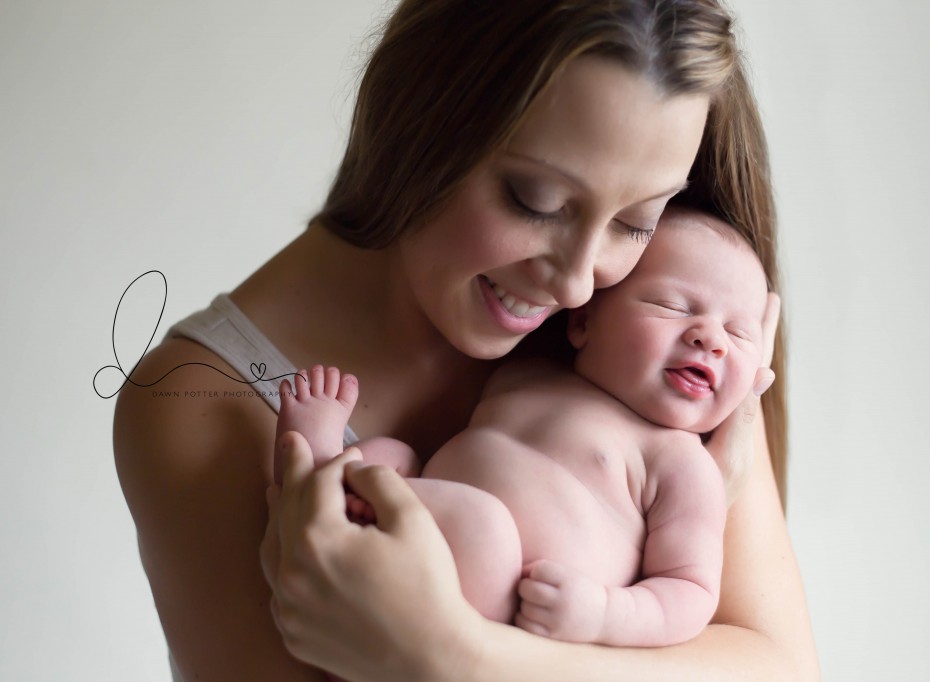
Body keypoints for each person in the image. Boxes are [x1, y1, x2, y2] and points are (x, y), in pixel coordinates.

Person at [113, 1, 819, 680]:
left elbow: (780, 670)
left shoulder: (652, 332)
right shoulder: (198, 402)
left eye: (636, 221)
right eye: (535, 201)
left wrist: (456, 660)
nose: (578, 284)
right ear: (419, 119)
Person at [275, 209, 768, 648]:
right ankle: (316, 483)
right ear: (583, 321)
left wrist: (601, 614)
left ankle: (323, 484)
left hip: (499, 615)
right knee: (391, 454)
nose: (712, 339)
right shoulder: (526, 374)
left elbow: (689, 590)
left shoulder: (684, 464)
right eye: (674, 306)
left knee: (481, 523)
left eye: (740, 333)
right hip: (390, 578)